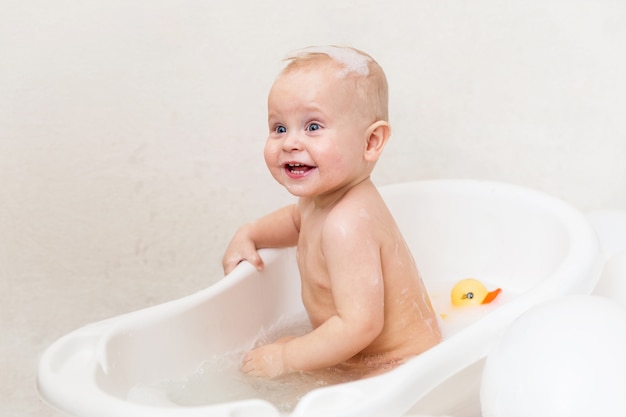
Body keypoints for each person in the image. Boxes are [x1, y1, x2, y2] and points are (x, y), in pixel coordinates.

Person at [222, 46, 441, 378]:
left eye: (312, 127)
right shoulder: (321, 201)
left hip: (398, 367)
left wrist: (286, 357)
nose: (290, 143)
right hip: (358, 358)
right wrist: (251, 232)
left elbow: (359, 326)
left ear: (371, 142)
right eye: (279, 128)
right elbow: (296, 222)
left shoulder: (347, 222)